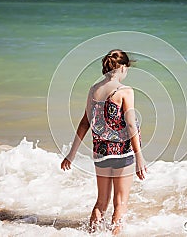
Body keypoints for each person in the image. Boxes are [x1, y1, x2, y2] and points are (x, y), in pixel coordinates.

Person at [61, 49, 147, 235]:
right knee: (120, 203)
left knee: (101, 203)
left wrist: (71, 154)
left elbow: (85, 123)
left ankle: (93, 234)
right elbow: (131, 125)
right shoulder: (125, 91)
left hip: (100, 154)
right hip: (122, 154)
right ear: (123, 67)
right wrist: (139, 156)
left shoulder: (94, 90)